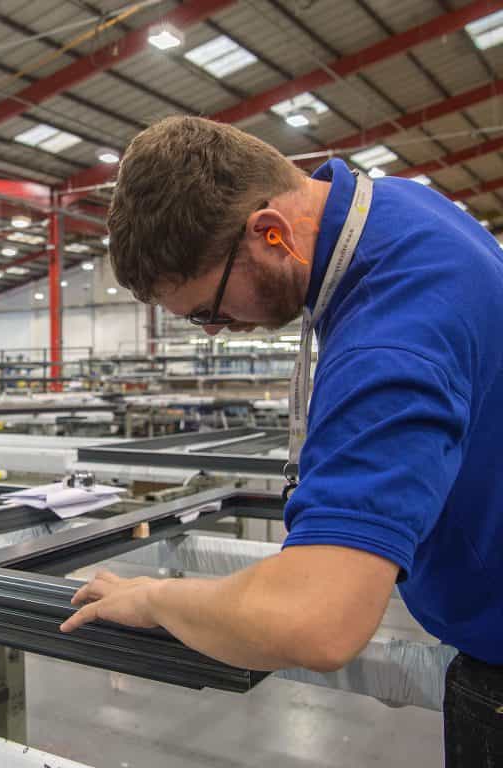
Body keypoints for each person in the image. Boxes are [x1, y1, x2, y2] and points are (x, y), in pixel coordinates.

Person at [59, 116, 503, 766]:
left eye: (207, 312)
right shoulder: (400, 210)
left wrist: (158, 597)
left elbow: (315, 620)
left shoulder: (391, 339)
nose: (214, 333)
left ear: (271, 235)